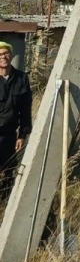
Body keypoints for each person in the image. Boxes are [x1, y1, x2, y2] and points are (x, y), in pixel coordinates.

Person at [0, 41, 32, 202]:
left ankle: (6, 203)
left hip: (9, 136)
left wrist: (22, 135)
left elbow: (26, 110)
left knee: (9, 170)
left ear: (11, 55)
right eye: (0, 55)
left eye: (6, 53)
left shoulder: (21, 78)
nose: (3, 57)